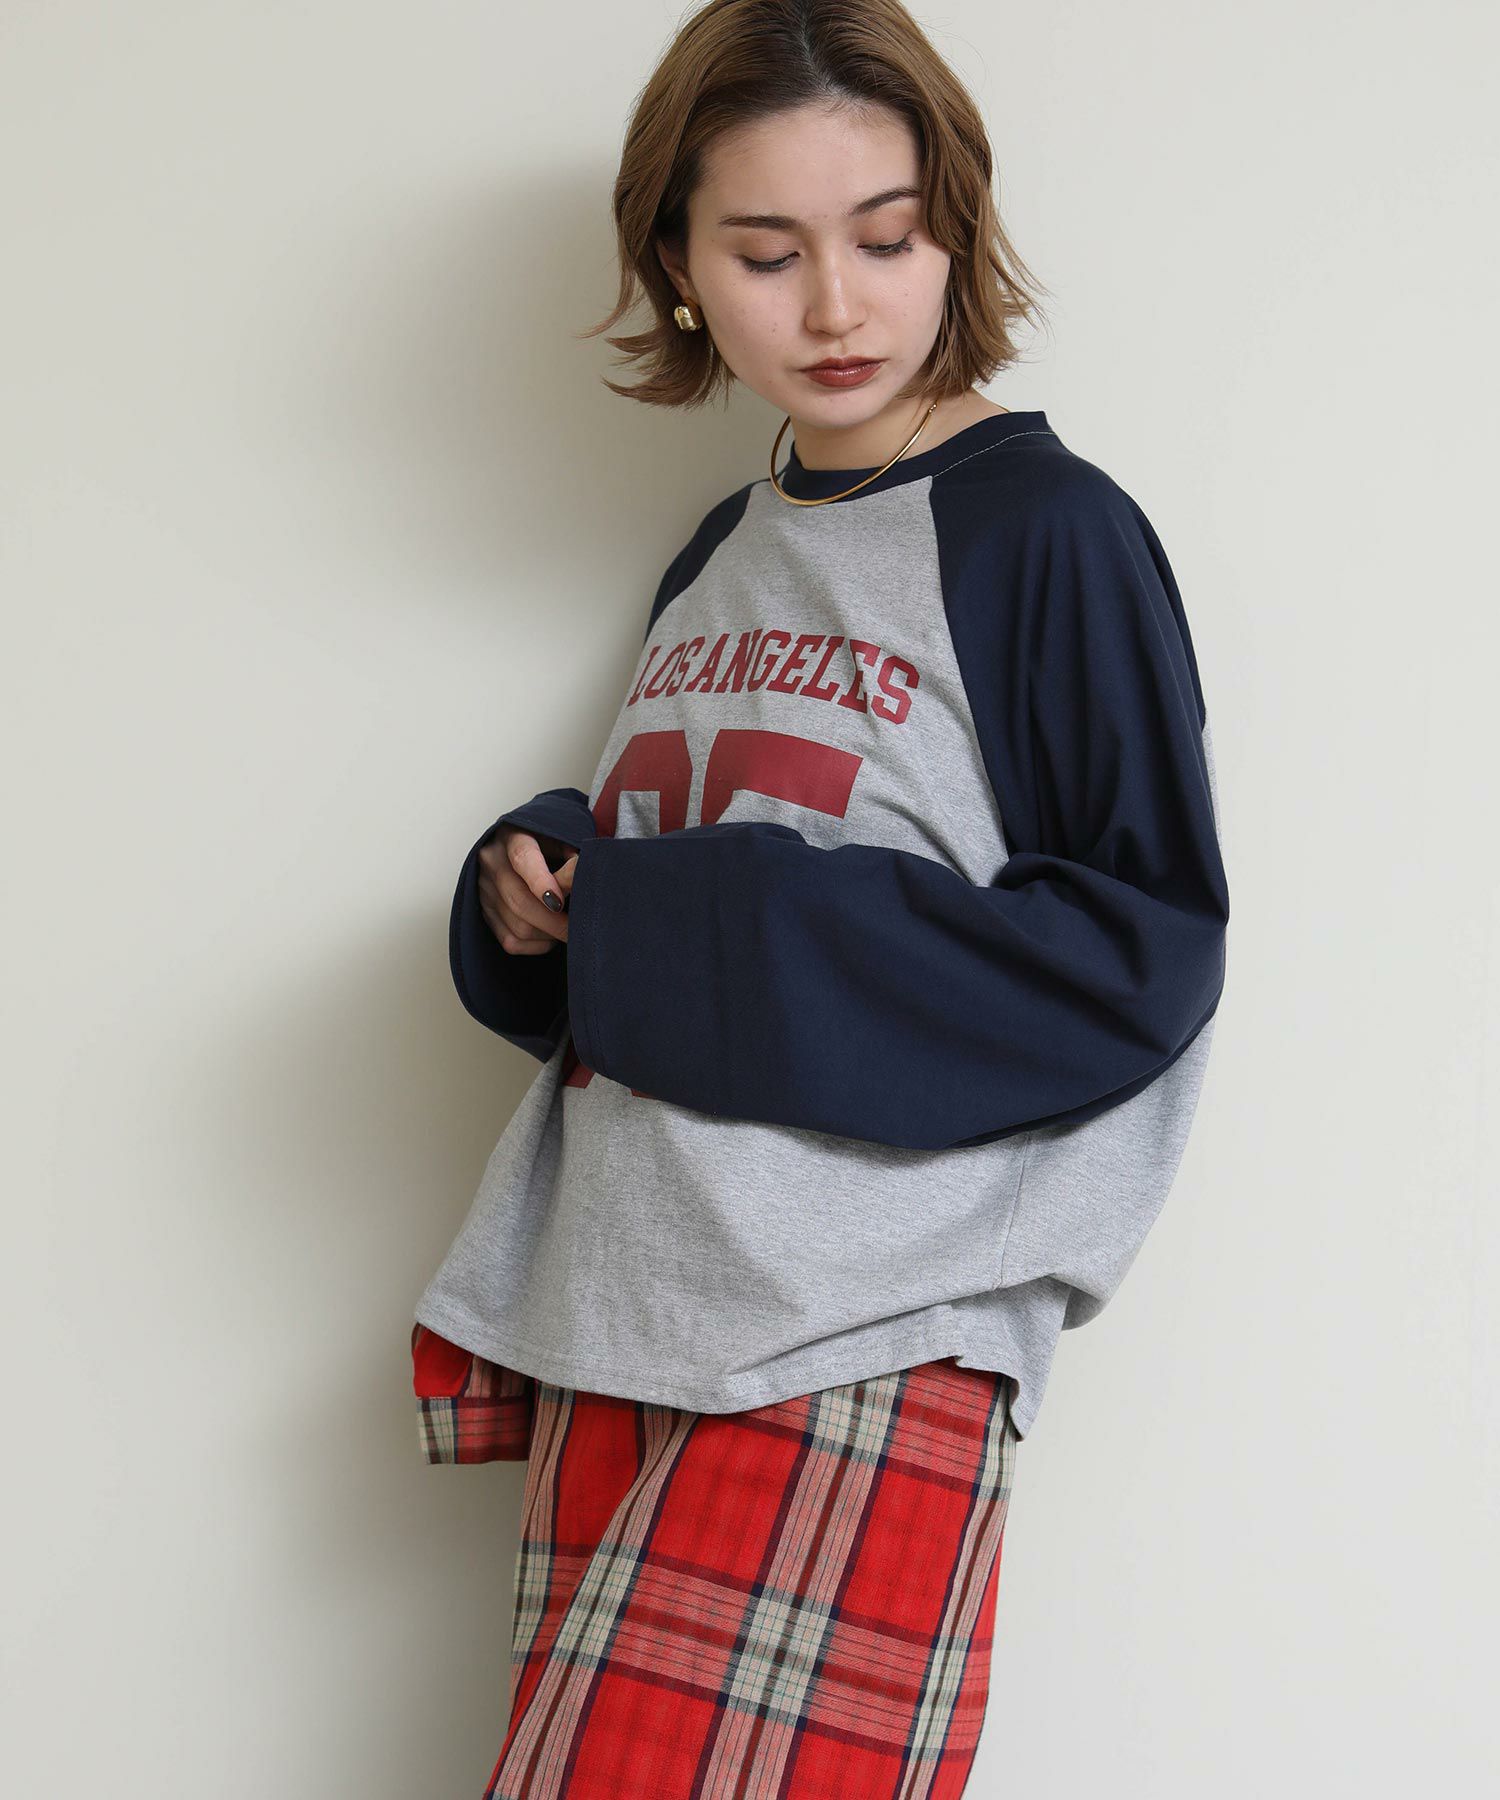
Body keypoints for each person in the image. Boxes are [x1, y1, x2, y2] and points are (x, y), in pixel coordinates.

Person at [411, 1, 1231, 1794]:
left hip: (854, 1332)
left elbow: (1139, 954)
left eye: (887, 238)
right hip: (626, 1305)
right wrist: (551, 886)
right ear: (680, 267)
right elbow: (719, 870)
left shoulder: (1045, 534)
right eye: (768, 253)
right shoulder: (724, 551)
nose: (838, 306)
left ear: (958, 232)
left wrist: (674, 916)